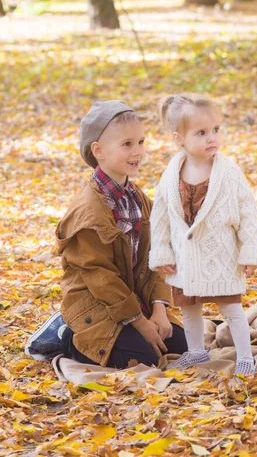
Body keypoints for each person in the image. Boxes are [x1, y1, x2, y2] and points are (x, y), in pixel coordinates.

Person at [25, 100, 187, 368]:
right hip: (96, 304)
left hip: (132, 300)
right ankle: (64, 334)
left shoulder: (137, 198)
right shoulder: (89, 211)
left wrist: (159, 309)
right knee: (139, 360)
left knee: (182, 347)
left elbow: (158, 252)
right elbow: (99, 277)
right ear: (98, 151)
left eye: (141, 142)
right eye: (127, 144)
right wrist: (140, 324)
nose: (137, 152)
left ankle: (137, 328)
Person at [149, 95, 257, 376]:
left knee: (232, 310)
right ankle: (196, 352)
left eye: (216, 129)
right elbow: (161, 216)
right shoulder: (171, 173)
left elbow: (247, 212)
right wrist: (162, 251)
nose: (211, 137)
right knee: (189, 309)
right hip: (184, 257)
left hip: (221, 254)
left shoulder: (228, 172)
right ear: (180, 138)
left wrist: (249, 250)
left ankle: (246, 357)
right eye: (201, 133)